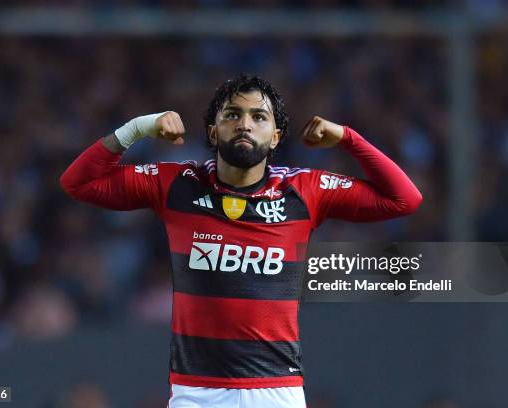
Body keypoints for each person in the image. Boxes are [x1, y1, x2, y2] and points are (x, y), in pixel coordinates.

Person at [60, 74, 422, 408]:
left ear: (276, 136)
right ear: (213, 131)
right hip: (196, 393)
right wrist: (139, 127)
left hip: (276, 392)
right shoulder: (177, 184)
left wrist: (347, 138)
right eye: (232, 114)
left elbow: (404, 199)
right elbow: (78, 183)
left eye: (259, 117)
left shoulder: (303, 191)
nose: (245, 124)